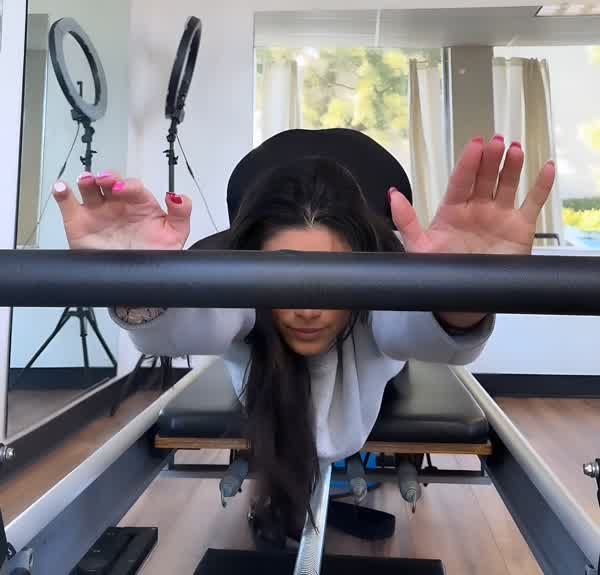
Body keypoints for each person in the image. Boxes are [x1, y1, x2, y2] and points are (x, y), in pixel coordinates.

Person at [53, 135, 555, 547]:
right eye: (284, 279)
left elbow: (417, 331)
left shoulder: (382, 301)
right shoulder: (237, 297)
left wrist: (463, 293)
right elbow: (190, 325)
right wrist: (137, 285)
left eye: (333, 281)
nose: (309, 310)